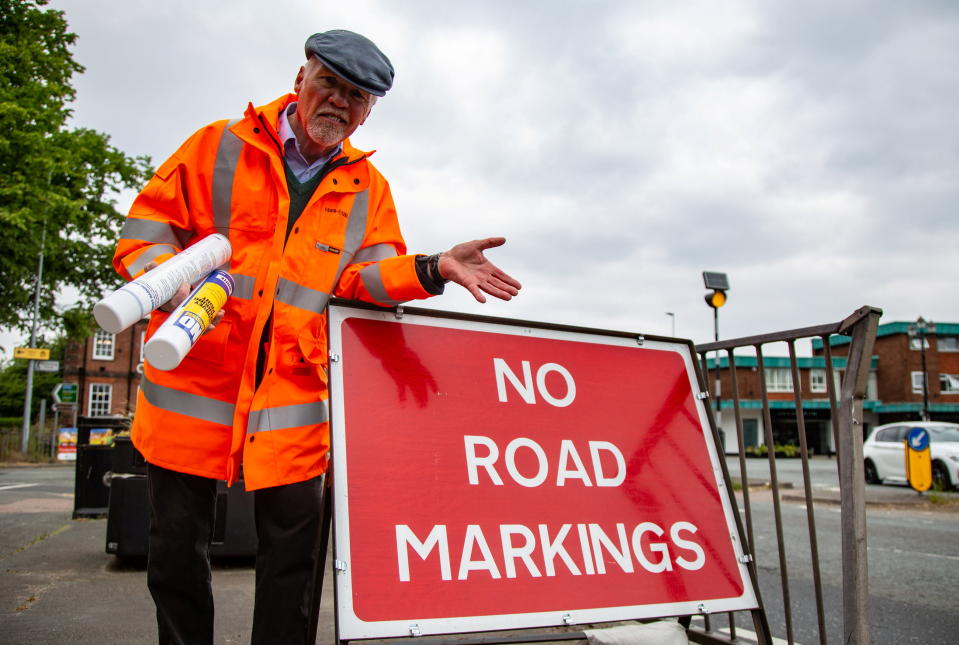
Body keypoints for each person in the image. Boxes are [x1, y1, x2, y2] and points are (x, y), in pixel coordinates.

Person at [112, 30, 521, 645]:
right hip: (192, 389)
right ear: (301, 77)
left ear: (370, 109)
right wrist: (164, 282)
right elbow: (145, 229)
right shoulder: (216, 146)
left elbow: (365, 281)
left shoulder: (369, 189)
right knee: (173, 556)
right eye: (329, 83)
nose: (340, 103)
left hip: (295, 407)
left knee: (293, 568)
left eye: (357, 97)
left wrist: (433, 267)